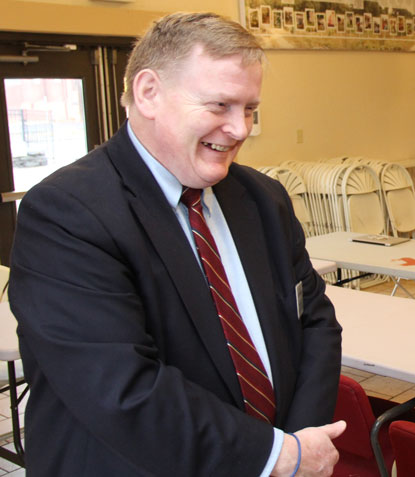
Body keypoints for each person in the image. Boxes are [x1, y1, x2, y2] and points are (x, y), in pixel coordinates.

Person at [9, 12, 345, 476]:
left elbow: (314, 322)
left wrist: (298, 443)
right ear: (148, 93)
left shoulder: (262, 199)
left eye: (250, 109)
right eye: (219, 106)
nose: (240, 128)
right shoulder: (66, 212)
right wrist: (274, 457)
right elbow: (122, 390)